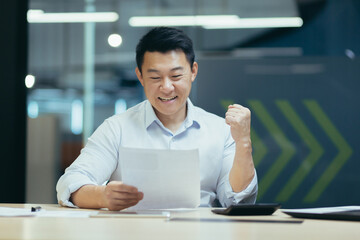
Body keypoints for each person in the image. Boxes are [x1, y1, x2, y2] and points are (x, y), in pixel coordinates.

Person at [56, 27, 257, 211]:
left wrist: (244, 143)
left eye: (176, 76)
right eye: (155, 77)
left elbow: (237, 200)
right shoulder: (117, 128)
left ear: (193, 71)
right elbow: (71, 182)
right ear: (140, 76)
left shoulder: (221, 130)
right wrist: (102, 196)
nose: (167, 87)